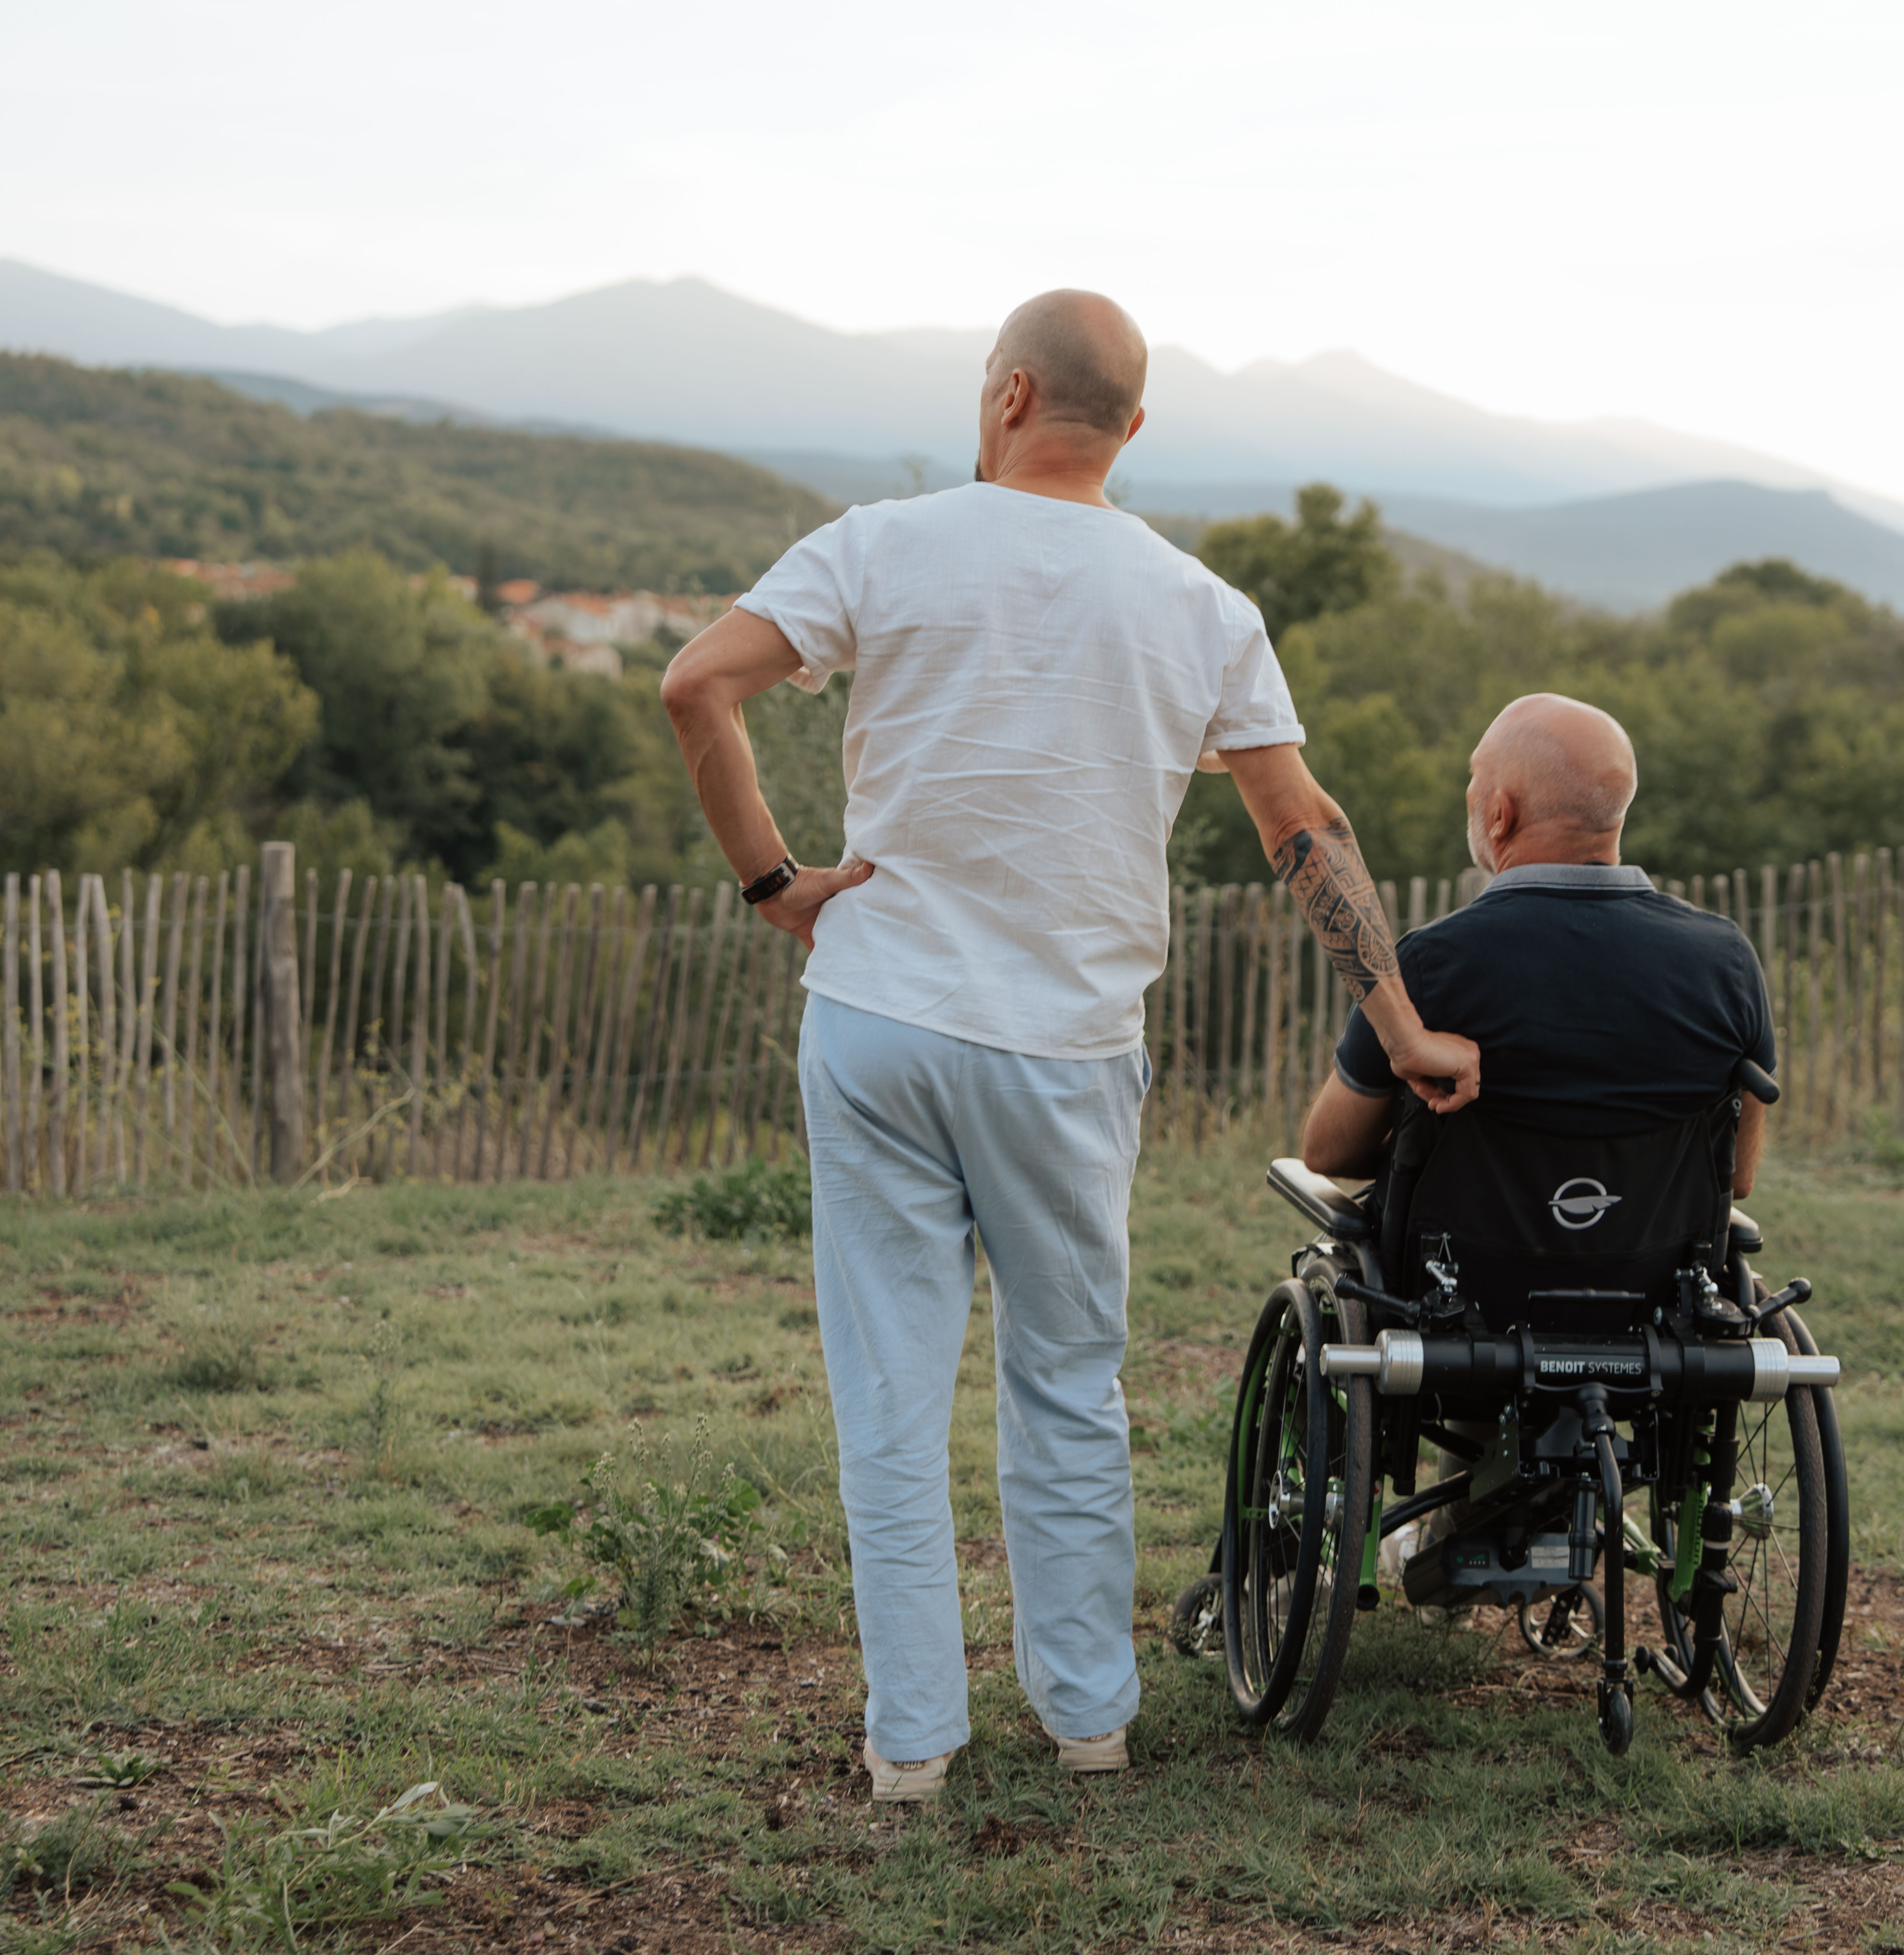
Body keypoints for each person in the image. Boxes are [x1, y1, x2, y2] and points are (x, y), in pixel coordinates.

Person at [658, 288, 1480, 1805]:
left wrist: (777, 887)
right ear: (1134, 429)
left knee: (890, 1389)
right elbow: (1306, 829)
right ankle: (1087, 1719)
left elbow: (692, 685)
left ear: (1007, 394)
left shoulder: (878, 544)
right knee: (1064, 1376)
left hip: (878, 1019)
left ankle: (910, 1744)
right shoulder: (1199, 608)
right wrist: (1402, 1026)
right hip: (1063, 1050)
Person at [1298, 693, 1774, 1196]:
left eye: (1473, 779)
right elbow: (1736, 1177)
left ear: (1501, 815)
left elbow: (1330, 1151)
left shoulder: (1427, 967)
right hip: (1653, 1270)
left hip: (1469, 1271)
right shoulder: (1728, 964)